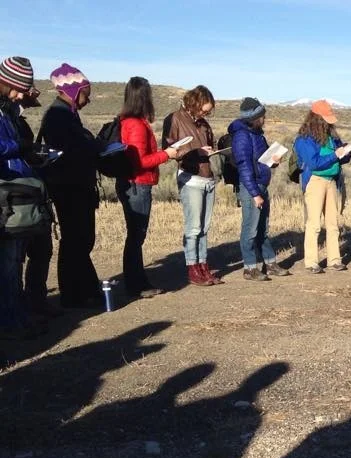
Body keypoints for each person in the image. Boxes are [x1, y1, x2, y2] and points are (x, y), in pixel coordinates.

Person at [39, 63, 103, 309]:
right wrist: (93, 148)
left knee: (79, 239)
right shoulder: (59, 115)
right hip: (69, 187)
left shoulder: (67, 114)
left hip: (75, 185)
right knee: (75, 239)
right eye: (86, 92)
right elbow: (69, 150)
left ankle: (83, 289)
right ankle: (74, 293)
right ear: (74, 90)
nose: (89, 98)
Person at [117, 77, 180, 298]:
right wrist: (166, 155)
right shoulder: (135, 125)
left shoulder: (128, 121)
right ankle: (136, 285)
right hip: (138, 185)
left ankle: (137, 281)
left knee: (135, 236)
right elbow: (140, 161)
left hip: (133, 184)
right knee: (136, 236)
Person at [0, 56, 42, 338]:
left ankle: (16, 314)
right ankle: (9, 321)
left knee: (15, 259)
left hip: (16, 191)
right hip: (4, 192)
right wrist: (20, 147)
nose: (19, 94)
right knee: (6, 261)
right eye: (16, 89)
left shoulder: (7, 111)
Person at [164, 85, 223, 285]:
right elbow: (170, 149)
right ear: (194, 103)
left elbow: (211, 145)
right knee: (194, 227)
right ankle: (192, 267)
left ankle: (203, 265)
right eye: (204, 110)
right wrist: (196, 152)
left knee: (204, 227)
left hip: (207, 178)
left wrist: (211, 151)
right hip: (191, 178)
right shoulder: (175, 119)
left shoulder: (204, 124)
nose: (206, 113)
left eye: (208, 111)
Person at [229, 97, 289, 280]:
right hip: (251, 187)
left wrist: (274, 162)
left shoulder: (257, 134)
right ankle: (249, 268)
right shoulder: (241, 136)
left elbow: (262, 161)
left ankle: (269, 263)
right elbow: (244, 166)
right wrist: (255, 194)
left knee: (263, 228)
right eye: (262, 116)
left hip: (261, 184)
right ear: (255, 116)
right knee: (250, 229)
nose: (265, 119)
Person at [13, 85, 57, 318]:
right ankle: (21, 305)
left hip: (34, 190)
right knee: (17, 255)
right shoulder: (8, 120)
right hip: (17, 195)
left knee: (42, 250)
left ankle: (36, 300)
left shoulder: (18, 121)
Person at [293, 100, 351, 273]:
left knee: (333, 223)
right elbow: (314, 163)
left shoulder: (332, 136)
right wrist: (335, 155)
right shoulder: (304, 139)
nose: (329, 123)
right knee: (314, 223)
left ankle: (334, 259)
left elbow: (340, 156)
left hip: (332, 181)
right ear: (317, 118)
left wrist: (345, 154)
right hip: (315, 182)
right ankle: (311, 262)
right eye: (325, 119)